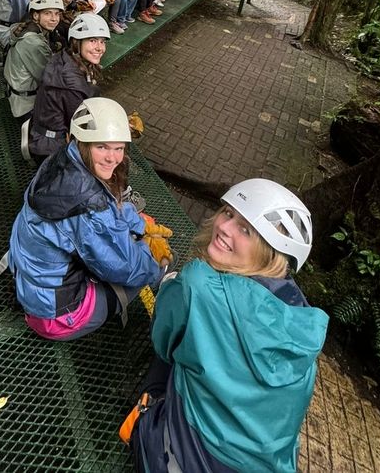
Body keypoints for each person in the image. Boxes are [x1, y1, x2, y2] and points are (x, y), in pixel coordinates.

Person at [125, 178, 328, 473]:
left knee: (167, 351)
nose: (224, 226)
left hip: (182, 460)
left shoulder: (199, 285)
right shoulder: (304, 325)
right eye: (229, 213)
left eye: (245, 230)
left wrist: (172, 286)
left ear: (270, 253)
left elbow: (163, 339)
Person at [9, 98, 169, 340]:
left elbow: (102, 210)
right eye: (102, 147)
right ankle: (164, 276)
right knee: (155, 264)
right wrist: (154, 257)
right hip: (56, 316)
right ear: (83, 143)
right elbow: (123, 267)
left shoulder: (63, 159)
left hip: (29, 279)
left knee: (135, 229)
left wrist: (138, 223)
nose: (112, 158)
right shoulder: (88, 208)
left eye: (119, 148)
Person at [27, 13, 109, 163]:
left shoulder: (67, 57)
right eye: (92, 41)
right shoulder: (70, 84)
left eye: (102, 41)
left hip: (43, 132)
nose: (100, 48)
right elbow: (81, 125)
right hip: (51, 148)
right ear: (77, 42)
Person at [3, 0, 62, 120]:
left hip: (15, 93)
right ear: (36, 15)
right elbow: (49, 78)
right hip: (26, 105)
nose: (54, 19)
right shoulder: (33, 42)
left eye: (57, 14)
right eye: (48, 13)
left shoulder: (26, 28)